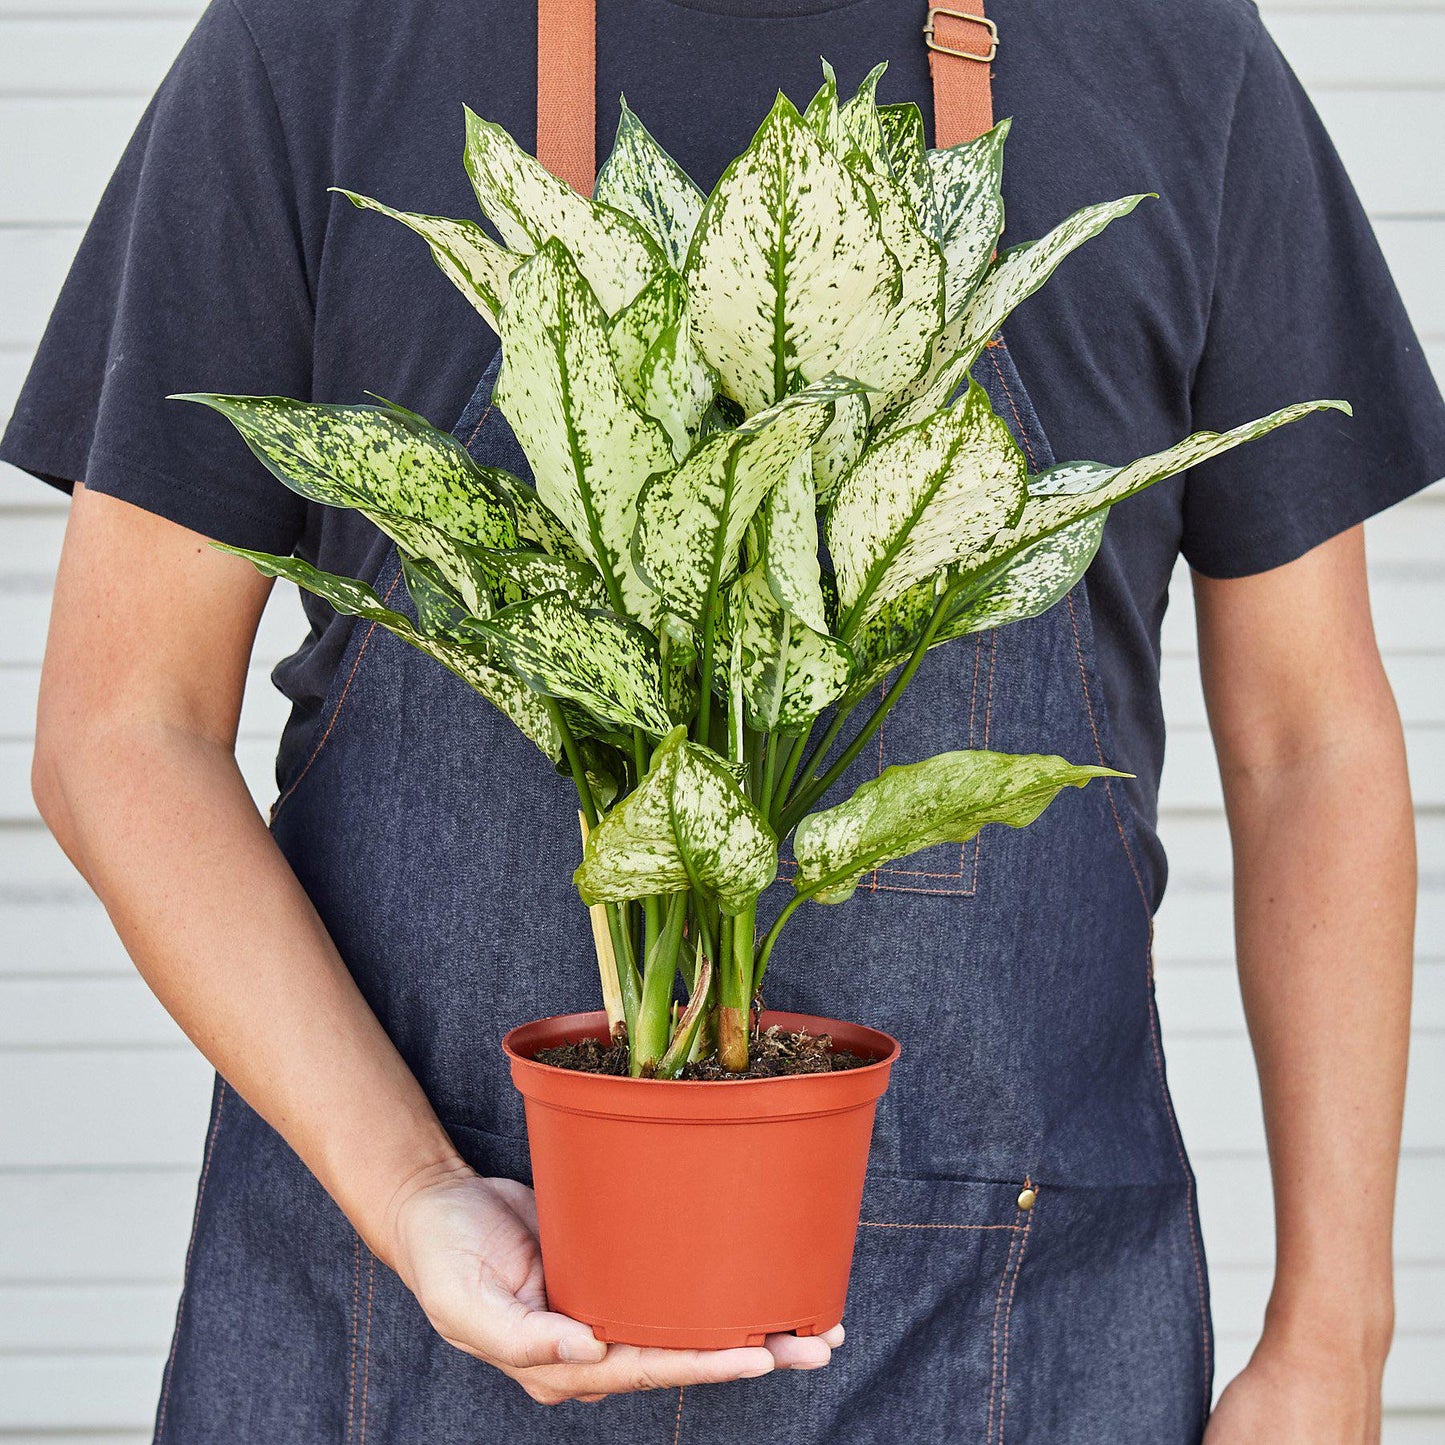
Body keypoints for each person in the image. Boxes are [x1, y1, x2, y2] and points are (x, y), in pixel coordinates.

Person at [7, 0, 1441, 1439]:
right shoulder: (322, 42)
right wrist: (413, 1186)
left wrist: (1335, 1340)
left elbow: (1309, 745)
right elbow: (122, 729)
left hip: (1008, 1345)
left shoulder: (1171, 53)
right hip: (399, 1336)